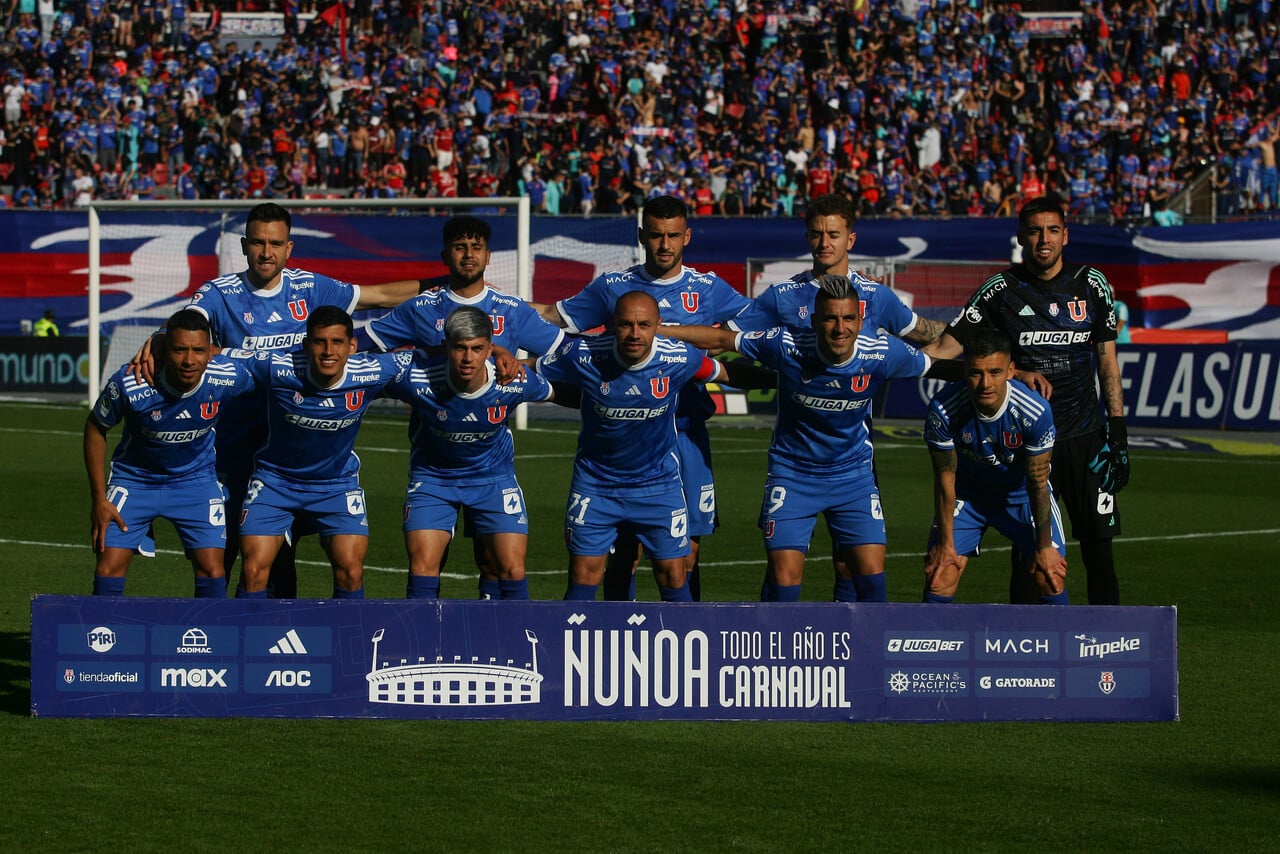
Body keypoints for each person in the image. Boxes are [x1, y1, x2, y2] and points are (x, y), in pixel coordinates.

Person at [133, 203, 419, 597]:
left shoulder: (310, 287)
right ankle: (212, 643)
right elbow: (189, 320)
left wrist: (448, 287)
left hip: (289, 454)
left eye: (275, 243)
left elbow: (382, 295)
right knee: (224, 556)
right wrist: (161, 336)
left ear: (289, 248)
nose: (266, 252)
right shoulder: (221, 293)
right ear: (244, 245)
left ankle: (278, 648)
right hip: (231, 451)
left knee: (281, 558)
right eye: (258, 242)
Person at [536, 194, 762, 601]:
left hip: (687, 433)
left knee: (686, 552)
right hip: (625, 435)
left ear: (687, 236)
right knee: (625, 551)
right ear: (642, 235)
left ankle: (685, 636)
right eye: (656, 235)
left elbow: (751, 333)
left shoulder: (707, 288)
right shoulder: (614, 287)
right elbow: (554, 320)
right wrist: (493, 319)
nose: (664, 245)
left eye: (673, 235)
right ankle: (620, 639)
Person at [663, 275, 933, 602]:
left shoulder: (883, 352)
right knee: (784, 576)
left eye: (848, 319)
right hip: (794, 476)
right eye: (830, 318)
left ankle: (863, 651)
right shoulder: (786, 344)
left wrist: (1001, 372)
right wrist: (659, 331)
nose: (840, 327)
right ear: (815, 320)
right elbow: (720, 338)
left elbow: (938, 365)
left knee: (871, 575)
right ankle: (771, 649)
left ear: (860, 320)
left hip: (854, 477)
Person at [932, 193, 1128, 605]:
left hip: (1085, 438)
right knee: (1030, 557)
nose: (1044, 238)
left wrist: (1118, 431)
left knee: (1099, 550)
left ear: (1066, 236)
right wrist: (888, 340)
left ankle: (1107, 655)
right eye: (1035, 230)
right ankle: (1024, 658)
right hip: (1025, 441)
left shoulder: (1092, 285)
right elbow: (947, 347)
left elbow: (1107, 362)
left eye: (1053, 230)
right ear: (1021, 237)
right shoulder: (1000, 290)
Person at [364, 215, 563, 599]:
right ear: (445, 255)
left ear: (489, 256)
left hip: (490, 462)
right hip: (433, 456)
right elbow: (363, 342)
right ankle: (426, 647)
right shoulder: (420, 308)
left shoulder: (513, 310)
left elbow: (565, 354)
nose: (468, 254)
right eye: (459, 246)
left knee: (494, 561)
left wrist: (523, 363)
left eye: (476, 247)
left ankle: (498, 644)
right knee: (427, 561)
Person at [534, 290, 726, 602]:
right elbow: (532, 368)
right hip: (596, 485)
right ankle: (572, 647)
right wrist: (501, 365)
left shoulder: (678, 358)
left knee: (675, 575)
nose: (635, 333)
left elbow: (722, 371)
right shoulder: (583, 354)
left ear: (658, 325)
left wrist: (783, 378)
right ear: (612, 324)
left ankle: (683, 647)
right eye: (626, 324)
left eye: (644, 325)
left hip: (658, 485)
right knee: (583, 575)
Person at [230, 306, 412, 599]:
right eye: (319, 342)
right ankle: (249, 641)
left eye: (337, 342)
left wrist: (498, 357)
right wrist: (161, 342)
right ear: (306, 344)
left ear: (352, 346)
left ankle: (348, 643)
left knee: (351, 570)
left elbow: (442, 358)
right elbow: (218, 356)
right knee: (253, 572)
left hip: (336, 486)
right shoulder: (278, 368)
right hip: (275, 482)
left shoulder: (373, 371)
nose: (328, 351)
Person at [383, 307, 553, 600]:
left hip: (493, 479)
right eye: (459, 348)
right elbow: (356, 376)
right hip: (433, 480)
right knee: (423, 565)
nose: (467, 358)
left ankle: (513, 642)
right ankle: (425, 642)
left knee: (512, 569)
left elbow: (564, 390)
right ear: (444, 347)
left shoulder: (515, 382)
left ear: (490, 349)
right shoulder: (414, 375)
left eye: (476, 349)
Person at [83, 310, 255, 598]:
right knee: (108, 568)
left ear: (211, 352)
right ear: (164, 348)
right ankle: (104, 639)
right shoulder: (131, 383)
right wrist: (99, 499)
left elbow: (271, 388)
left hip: (195, 482)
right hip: (134, 481)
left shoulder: (228, 377)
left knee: (213, 570)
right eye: (180, 350)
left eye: (199, 350)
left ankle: (208, 639)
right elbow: (94, 428)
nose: (189, 360)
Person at [922, 328, 1068, 605]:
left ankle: (1062, 647)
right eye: (976, 373)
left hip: (1020, 495)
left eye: (995, 372)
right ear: (965, 371)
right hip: (968, 494)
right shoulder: (943, 410)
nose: (985, 383)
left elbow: (1038, 482)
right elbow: (944, 482)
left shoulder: (1034, 411)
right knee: (940, 575)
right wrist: (946, 545)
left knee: (1050, 575)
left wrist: (1045, 546)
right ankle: (930, 646)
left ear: (1011, 371)